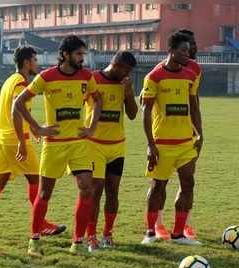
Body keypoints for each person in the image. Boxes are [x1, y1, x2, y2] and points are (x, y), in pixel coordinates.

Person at [13, 35, 103, 257]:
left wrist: (91, 127)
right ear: (65, 54)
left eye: (83, 54)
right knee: (44, 193)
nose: (83, 58)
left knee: (87, 188)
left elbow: (98, 99)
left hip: (79, 144)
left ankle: (78, 242)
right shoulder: (47, 77)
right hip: (54, 144)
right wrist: (37, 128)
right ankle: (34, 240)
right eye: (78, 54)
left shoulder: (86, 76)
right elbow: (19, 102)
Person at [0, 46, 66, 236]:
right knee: (36, 180)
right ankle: (41, 224)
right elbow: (16, 111)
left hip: (2, 137)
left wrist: (32, 128)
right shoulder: (21, 83)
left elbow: (19, 112)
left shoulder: (10, 81)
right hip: (15, 139)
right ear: (26, 62)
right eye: (35, 60)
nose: (37, 63)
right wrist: (24, 139)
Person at [141, 32, 203, 245]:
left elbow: (194, 106)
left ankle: (178, 234)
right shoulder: (154, 76)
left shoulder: (190, 75)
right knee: (158, 187)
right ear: (171, 50)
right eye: (183, 50)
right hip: (162, 144)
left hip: (185, 142)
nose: (187, 54)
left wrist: (199, 134)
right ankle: (150, 232)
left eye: (188, 50)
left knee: (188, 183)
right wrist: (151, 145)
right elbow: (146, 112)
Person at [85, 51, 138, 252]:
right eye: (125, 69)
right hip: (94, 145)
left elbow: (132, 115)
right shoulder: (93, 79)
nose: (127, 74)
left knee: (113, 191)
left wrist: (128, 93)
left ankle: (107, 233)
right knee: (96, 190)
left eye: (130, 71)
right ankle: (91, 236)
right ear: (115, 64)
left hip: (117, 146)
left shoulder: (124, 84)